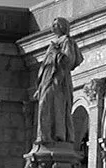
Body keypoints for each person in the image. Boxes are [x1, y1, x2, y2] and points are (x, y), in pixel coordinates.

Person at [34, 17, 83, 146]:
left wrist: (57, 54)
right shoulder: (53, 43)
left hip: (58, 79)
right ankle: (44, 135)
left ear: (62, 27)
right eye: (53, 25)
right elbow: (45, 64)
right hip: (47, 78)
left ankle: (58, 135)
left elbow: (69, 61)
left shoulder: (67, 41)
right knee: (44, 105)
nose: (54, 27)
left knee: (56, 106)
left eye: (57, 25)